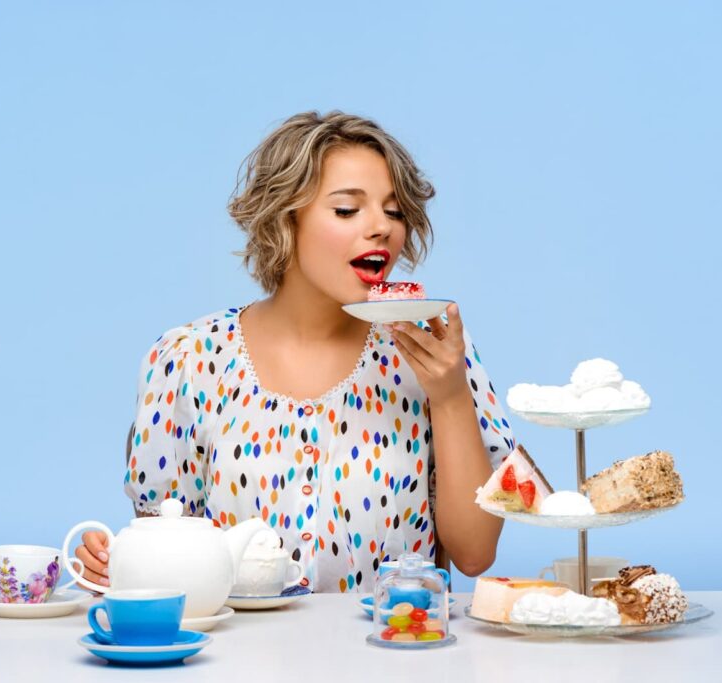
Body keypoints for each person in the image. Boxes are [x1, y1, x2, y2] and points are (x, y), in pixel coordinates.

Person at [74, 111, 515, 593]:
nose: (382, 228)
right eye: (348, 210)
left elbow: (474, 555)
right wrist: (112, 564)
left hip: (391, 656)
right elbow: (168, 561)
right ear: (285, 219)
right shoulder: (188, 359)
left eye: (394, 211)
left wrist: (449, 396)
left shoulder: (434, 347)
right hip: (240, 662)